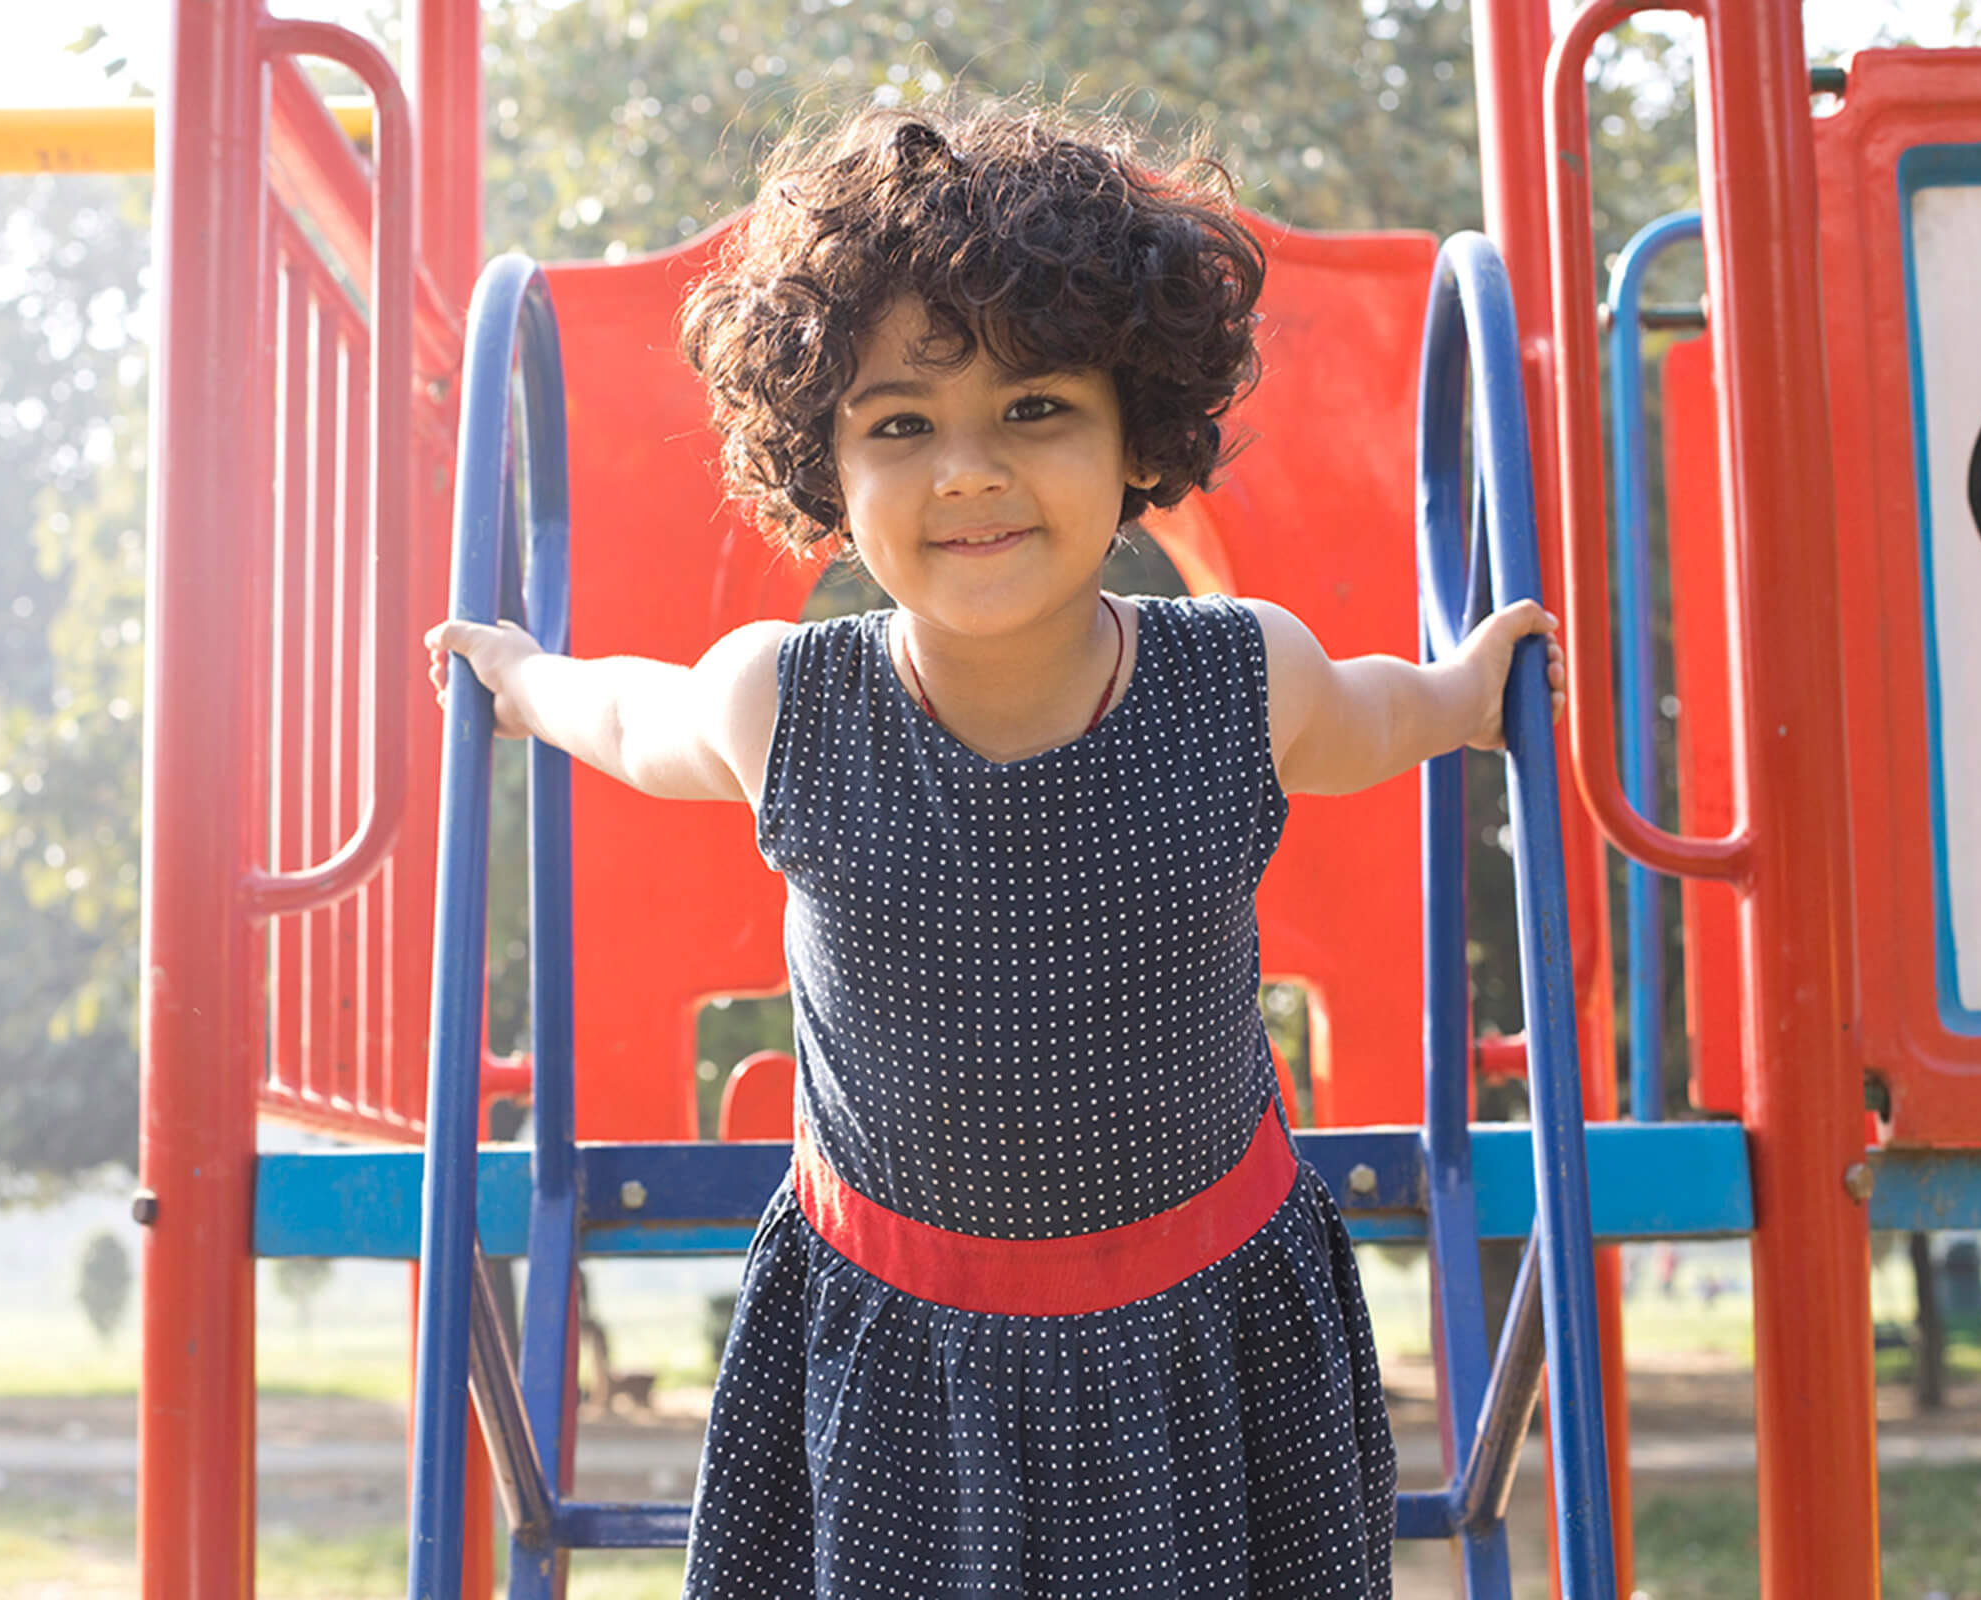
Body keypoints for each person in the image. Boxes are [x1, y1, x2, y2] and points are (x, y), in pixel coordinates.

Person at [428, 101, 1565, 1599]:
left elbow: (1373, 714)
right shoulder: (789, 706)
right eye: (902, 425)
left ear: (1136, 432)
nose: (967, 470)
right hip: (903, 1343)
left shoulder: (1238, 679)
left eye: (1035, 409)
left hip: (1197, 1338)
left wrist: (1468, 694)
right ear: (827, 468)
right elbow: (632, 715)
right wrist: (521, 680)